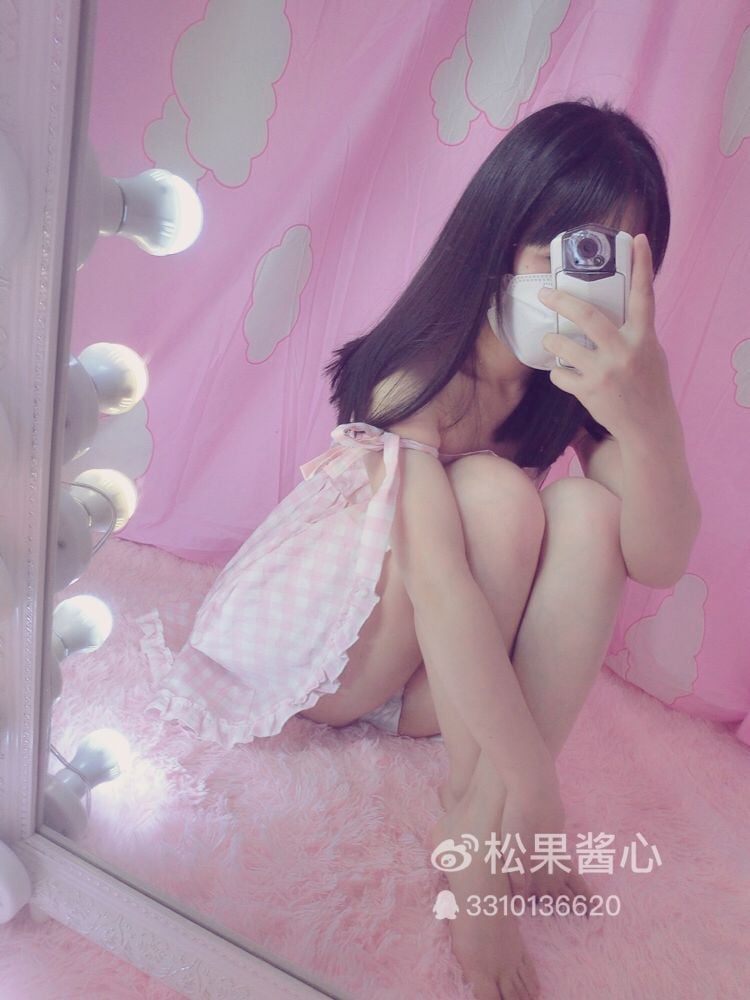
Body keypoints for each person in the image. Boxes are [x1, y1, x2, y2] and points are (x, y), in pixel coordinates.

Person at [149, 97, 693, 1000]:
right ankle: (492, 825)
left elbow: (659, 557)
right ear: (502, 236)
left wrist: (648, 409)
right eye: (562, 252)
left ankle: (477, 824)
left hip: (435, 687)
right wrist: (537, 785)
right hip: (336, 653)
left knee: (592, 514)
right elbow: (440, 589)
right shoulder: (420, 374)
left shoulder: (573, 386)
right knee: (500, 496)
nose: (580, 289)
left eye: (609, 264)